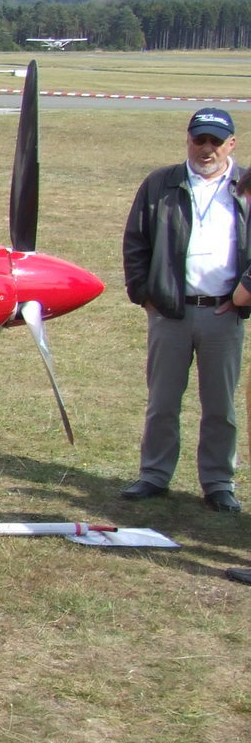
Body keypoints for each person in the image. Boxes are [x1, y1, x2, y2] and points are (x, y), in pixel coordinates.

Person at [120, 108, 251, 511]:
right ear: (188, 140)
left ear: (231, 144)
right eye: (200, 140)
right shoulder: (161, 183)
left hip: (223, 314)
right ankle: (154, 475)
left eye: (215, 141)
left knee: (220, 406)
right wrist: (146, 296)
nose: (206, 149)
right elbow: (135, 242)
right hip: (170, 313)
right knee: (162, 401)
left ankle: (218, 483)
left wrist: (243, 297)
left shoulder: (246, 186)